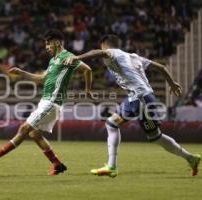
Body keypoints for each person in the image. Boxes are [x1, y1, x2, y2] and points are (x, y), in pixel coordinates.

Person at [65, 34, 201, 177]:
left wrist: (77, 57)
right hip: (145, 96)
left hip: (139, 96)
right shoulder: (134, 57)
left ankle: (111, 166)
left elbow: (96, 53)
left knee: (111, 123)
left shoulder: (113, 52)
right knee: (155, 137)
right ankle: (191, 158)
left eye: (102, 48)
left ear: (105, 45)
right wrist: (172, 83)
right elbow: (161, 67)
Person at [0, 29, 92, 176]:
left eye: (48, 44)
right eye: (45, 44)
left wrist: (87, 90)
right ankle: (57, 164)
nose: (46, 47)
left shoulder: (67, 56)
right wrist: (22, 73)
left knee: (25, 128)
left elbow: (87, 69)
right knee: (34, 134)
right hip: (45, 101)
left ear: (57, 42)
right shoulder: (53, 60)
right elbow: (42, 78)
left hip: (52, 101)